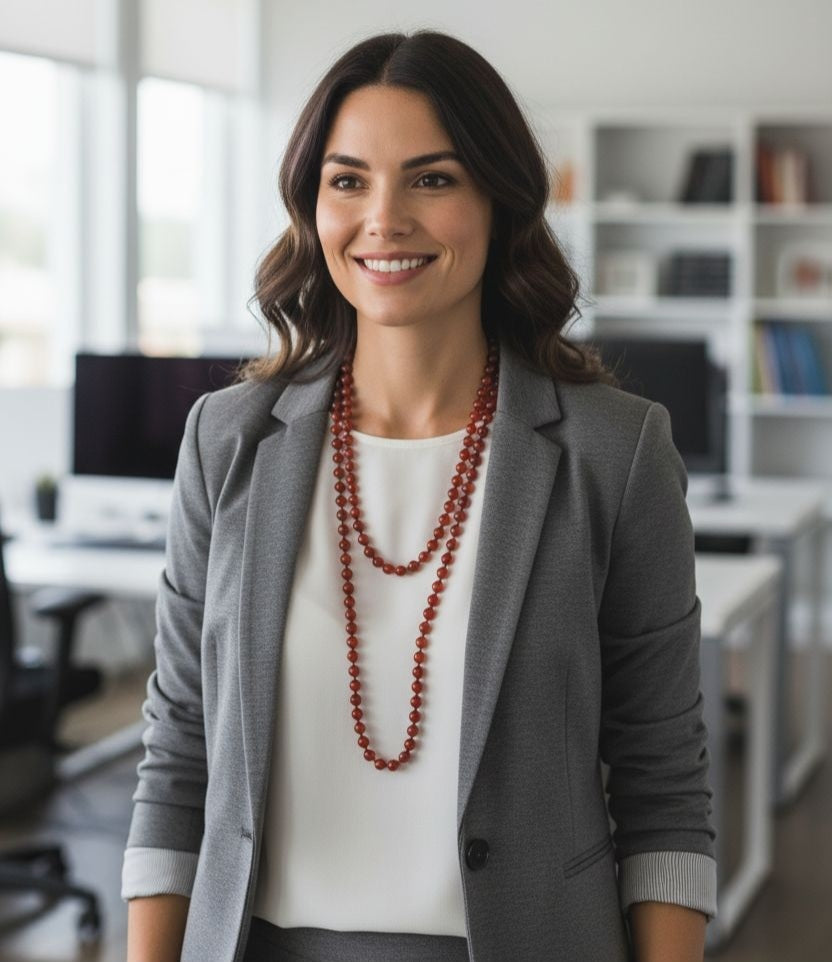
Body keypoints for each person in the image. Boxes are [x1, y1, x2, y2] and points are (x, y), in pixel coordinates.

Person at [122, 29, 716, 962]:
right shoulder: (228, 439)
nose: (384, 218)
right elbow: (179, 750)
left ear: (499, 197)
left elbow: (663, 784)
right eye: (348, 180)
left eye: (432, 179)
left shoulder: (615, 450)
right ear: (312, 206)